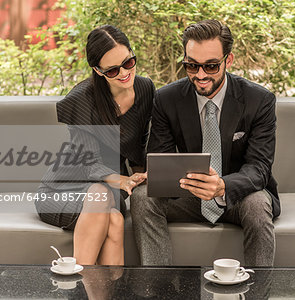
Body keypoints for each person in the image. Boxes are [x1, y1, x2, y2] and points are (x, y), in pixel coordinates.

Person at [130, 19, 280, 267]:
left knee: (258, 203)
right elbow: (161, 156)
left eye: (211, 66)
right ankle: (159, 289)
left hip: (237, 195)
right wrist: (156, 175)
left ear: (228, 61)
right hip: (187, 195)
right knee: (142, 196)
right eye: (191, 65)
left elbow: (259, 167)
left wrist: (221, 186)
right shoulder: (167, 99)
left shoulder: (259, 100)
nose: (200, 75)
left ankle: (258, 293)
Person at [35, 25, 154, 265]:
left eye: (128, 63)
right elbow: (89, 165)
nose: (123, 73)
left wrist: (149, 173)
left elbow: (144, 144)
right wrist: (123, 180)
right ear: (97, 70)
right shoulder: (81, 99)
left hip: (110, 191)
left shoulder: (145, 88)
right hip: (61, 189)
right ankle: (81, 285)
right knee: (105, 205)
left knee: (113, 214)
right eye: (112, 70)